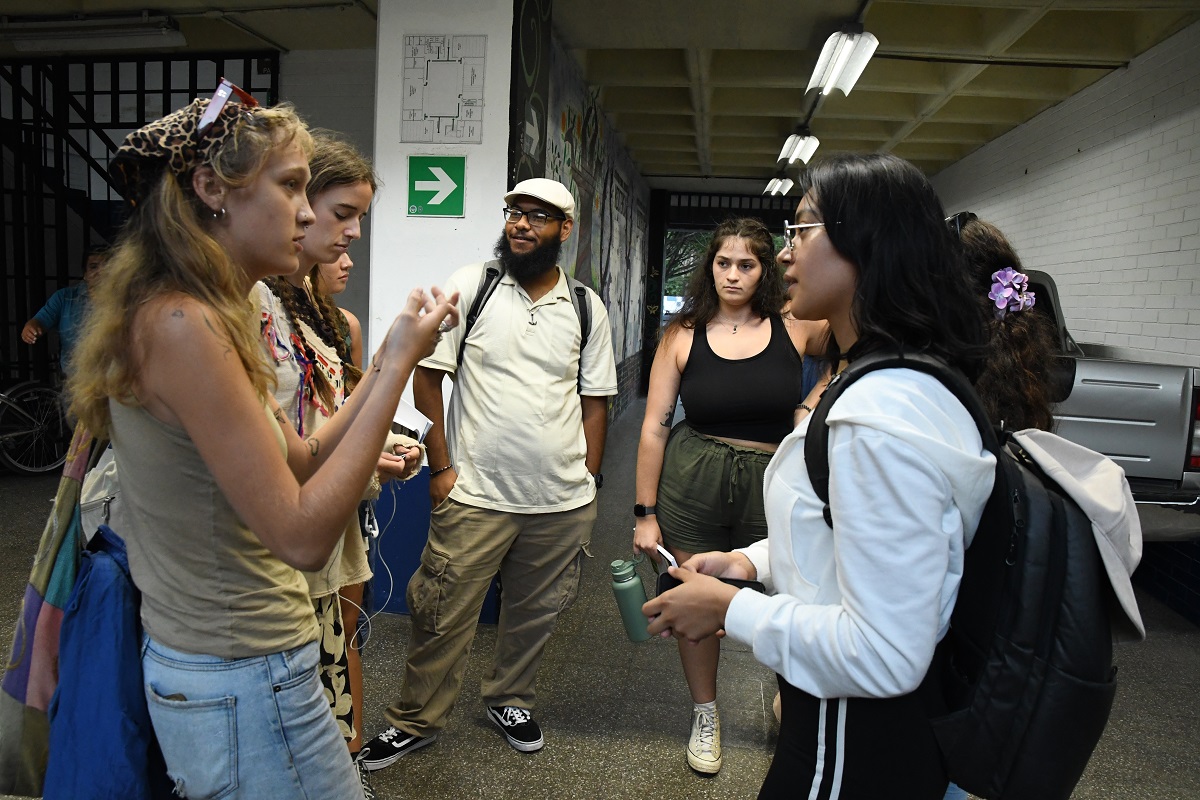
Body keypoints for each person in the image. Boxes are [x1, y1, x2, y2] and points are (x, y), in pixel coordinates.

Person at [67, 88, 457, 799]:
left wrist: (385, 362)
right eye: (291, 186)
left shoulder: (220, 308)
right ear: (213, 188)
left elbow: (304, 457)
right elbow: (302, 536)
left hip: (241, 664)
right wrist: (399, 367)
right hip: (238, 670)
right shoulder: (187, 326)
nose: (309, 214)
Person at [643, 153, 997, 799]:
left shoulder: (879, 417)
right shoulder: (886, 379)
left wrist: (731, 608)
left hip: (852, 739)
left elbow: (885, 651)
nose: (784, 255)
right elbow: (847, 541)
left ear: (865, 244)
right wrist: (752, 563)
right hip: (840, 723)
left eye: (801, 231)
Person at [361, 177, 617, 770]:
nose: (521, 225)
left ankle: (510, 698)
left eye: (537, 217)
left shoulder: (584, 305)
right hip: (475, 495)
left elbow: (595, 398)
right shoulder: (472, 286)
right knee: (441, 612)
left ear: (563, 229)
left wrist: (590, 481)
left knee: (536, 612)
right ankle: (414, 720)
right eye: (513, 213)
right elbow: (429, 376)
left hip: (560, 502)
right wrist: (441, 468)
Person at [253, 133, 419, 799]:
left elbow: (319, 431)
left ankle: (337, 761)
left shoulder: (317, 317)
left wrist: (374, 448)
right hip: (272, 546)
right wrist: (393, 365)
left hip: (323, 520)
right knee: (295, 681)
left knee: (336, 648)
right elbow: (294, 452)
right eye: (340, 213)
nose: (351, 237)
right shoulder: (233, 313)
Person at [631, 217, 824, 774]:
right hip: (693, 478)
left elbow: (862, 346)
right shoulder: (683, 332)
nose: (732, 275)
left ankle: (794, 698)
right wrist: (645, 514)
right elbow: (653, 427)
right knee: (696, 591)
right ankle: (705, 711)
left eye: (746, 265)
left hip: (771, 480)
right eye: (723, 263)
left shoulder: (796, 324)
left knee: (784, 591)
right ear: (708, 266)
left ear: (765, 270)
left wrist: (812, 400)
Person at [22, 246, 108, 370]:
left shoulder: (126, 301)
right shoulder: (65, 298)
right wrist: (30, 329)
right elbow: (39, 321)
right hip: (75, 380)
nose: (101, 272)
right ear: (85, 274)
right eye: (94, 267)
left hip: (116, 381)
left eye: (107, 267)